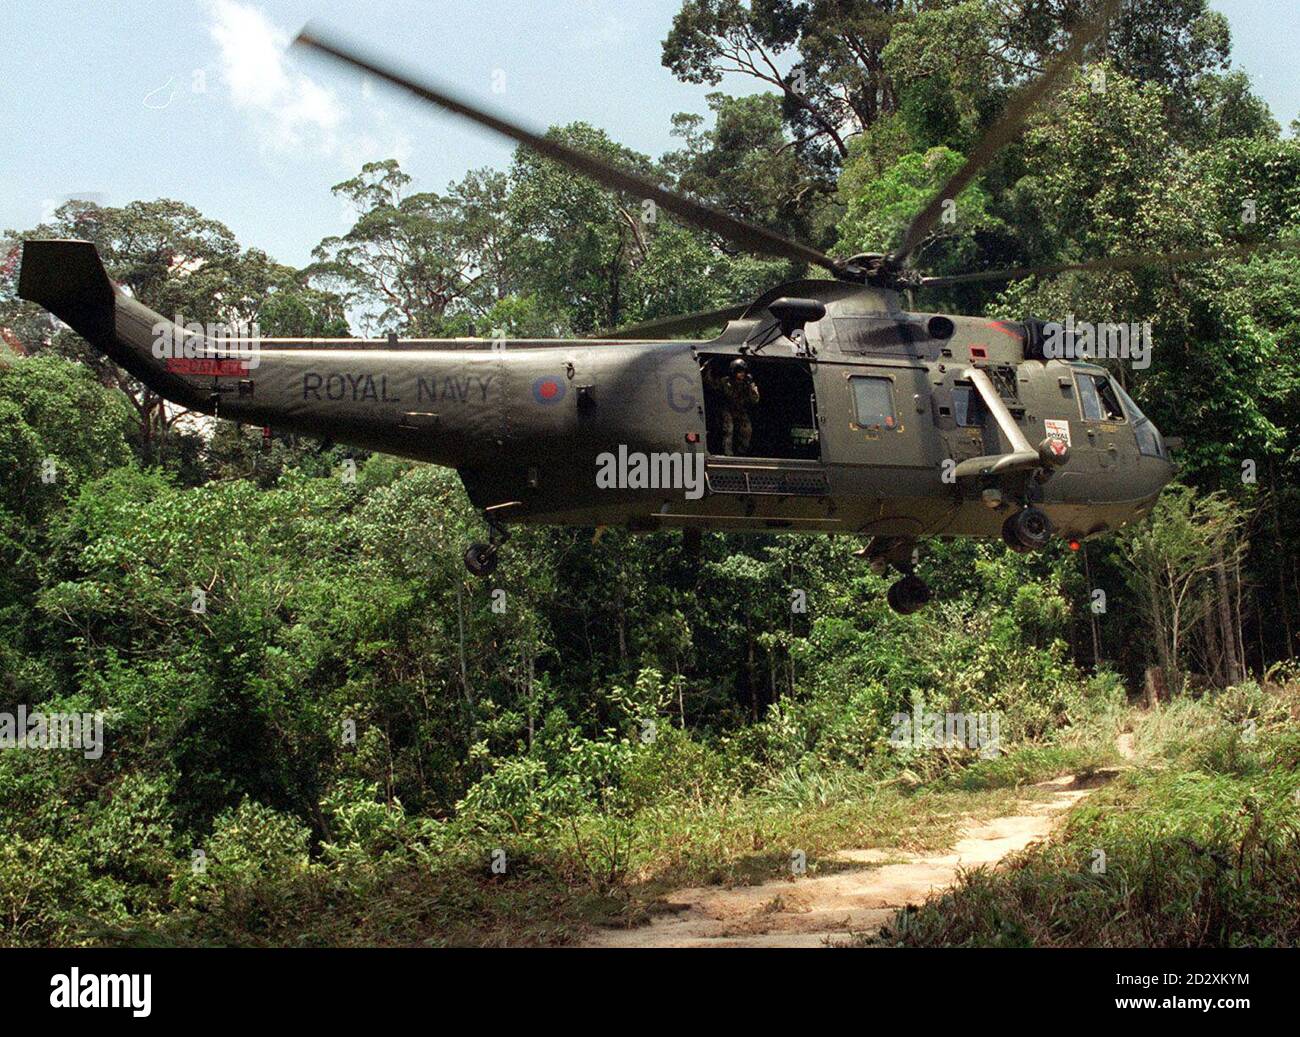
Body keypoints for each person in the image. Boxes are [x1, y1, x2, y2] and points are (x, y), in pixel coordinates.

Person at [705, 357, 760, 456]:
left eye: (743, 371)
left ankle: (741, 453)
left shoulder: (747, 384)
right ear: (733, 372)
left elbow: (755, 400)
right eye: (739, 371)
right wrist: (707, 370)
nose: (742, 374)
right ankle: (728, 454)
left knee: (747, 431)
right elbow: (711, 384)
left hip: (740, 410)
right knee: (728, 430)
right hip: (727, 409)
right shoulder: (725, 382)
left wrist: (751, 386)